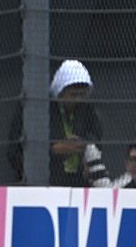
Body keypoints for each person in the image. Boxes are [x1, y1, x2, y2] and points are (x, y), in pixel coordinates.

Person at [7, 59, 110, 187]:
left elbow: (96, 139)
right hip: (42, 184)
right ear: (59, 91)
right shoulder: (35, 109)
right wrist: (53, 151)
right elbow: (14, 153)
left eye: (82, 95)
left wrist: (84, 146)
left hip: (77, 183)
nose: (78, 100)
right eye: (73, 95)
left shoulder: (88, 109)